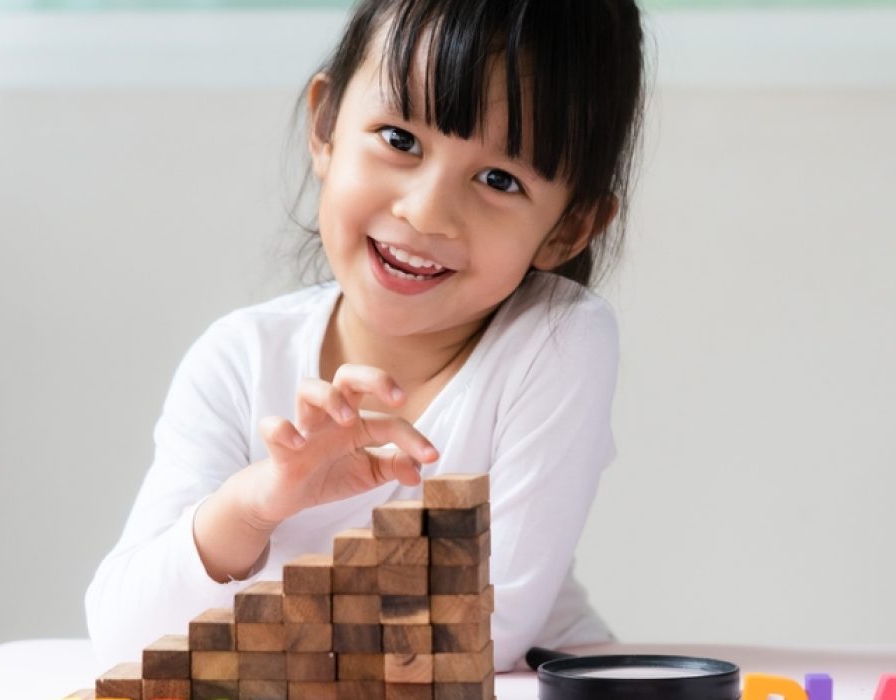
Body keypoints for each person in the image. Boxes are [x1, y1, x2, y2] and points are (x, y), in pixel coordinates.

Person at [85, 0, 645, 674]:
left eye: (499, 179)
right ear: (325, 127)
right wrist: (258, 504)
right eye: (400, 140)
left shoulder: (555, 342)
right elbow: (122, 639)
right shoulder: (238, 359)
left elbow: (488, 630)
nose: (426, 212)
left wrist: (250, 641)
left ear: (569, 226)